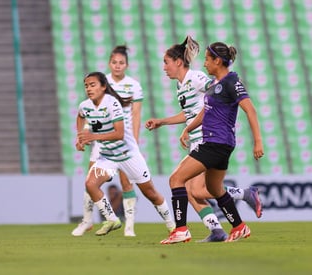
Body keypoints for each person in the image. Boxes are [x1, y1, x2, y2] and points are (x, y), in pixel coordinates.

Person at [145, 36, 263, 242]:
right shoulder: (198, 85)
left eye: (166, 62)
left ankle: (182, 229)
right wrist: (182, 127)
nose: (205, 62)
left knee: (180, 182)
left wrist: (258, 141)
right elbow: (204, 109)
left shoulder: (209, 79)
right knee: (206, 189)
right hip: (212, 139)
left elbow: (243, 107)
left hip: (211, 140)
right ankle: (233, 227)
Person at [75, 71, 175, 236]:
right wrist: (80, 137)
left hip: (128, 155)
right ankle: (112, 219)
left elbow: (119, 133)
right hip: (108, 156)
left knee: (150, 193)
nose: (88, 89)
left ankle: (173, 227)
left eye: (92, 85)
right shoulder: (85, 105)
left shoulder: (112, 103)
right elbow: (80, 116)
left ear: (103, 87)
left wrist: (92, 136)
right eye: (86, 86)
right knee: (90, 184)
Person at [72, 45, 142, 237]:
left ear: (126, 65)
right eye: (114, 62)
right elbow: (89, 114)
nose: (117, 66)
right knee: (90, 180)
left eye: (121, 63)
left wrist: (134, 140)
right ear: (109, 64)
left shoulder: (134, 85)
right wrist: (83, 135)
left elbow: (136, 115)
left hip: (124, 140)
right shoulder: (100, 82)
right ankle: (87, 221)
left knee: (127, 183)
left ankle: (129, 226)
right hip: (102, 141)